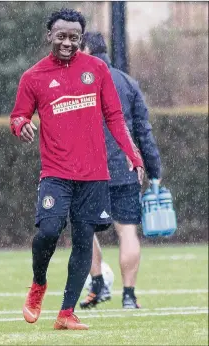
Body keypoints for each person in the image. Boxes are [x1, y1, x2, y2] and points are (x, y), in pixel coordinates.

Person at [10, 8, 144, 330]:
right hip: (56, 173)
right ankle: (38, 283)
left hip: (94, 175)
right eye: (61, 36)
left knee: (84, 241)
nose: (67, 42)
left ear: (81, 39)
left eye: (73, 37)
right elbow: (18, 116)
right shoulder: (33, 77)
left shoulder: (97, 70)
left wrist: (133, 156)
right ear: (49, 36)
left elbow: (115, 117)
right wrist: (21, 125)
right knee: (48, 232)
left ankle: (66, 312)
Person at [79, 32, 162, 310]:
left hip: (88, 170)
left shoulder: (80, 82)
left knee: (84, 229)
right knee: (127, 232)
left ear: (87, 50)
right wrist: (154, 170)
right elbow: (143, 132)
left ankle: (99, 283)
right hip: (125, 169)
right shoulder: (128, 83)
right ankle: (129, 296)